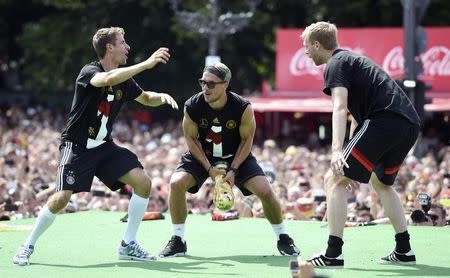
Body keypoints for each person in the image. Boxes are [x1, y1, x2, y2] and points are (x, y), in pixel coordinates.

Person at [13, 27, 178, 266]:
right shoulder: (89, 71)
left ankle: (128, 244)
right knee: (62, 197)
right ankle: (27, 245)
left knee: (143, 182)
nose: (128, 47)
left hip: (103, 146)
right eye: (123, 42)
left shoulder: (124, 79)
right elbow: (107, 79)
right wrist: (147, 63)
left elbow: (145, 97)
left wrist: (160, 96)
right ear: (109, 47)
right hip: (77, 145)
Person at [301, 22, 421, 268]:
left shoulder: (335, 63)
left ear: (316, 44)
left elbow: (339, 107)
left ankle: (333, 254)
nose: (305, 52)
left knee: (332, 178)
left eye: (306, 46)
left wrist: (337, 152)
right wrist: (352, 160)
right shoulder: (352, 61)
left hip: (385, 121)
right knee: (381, 183)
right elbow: (356, 118)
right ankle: (404, 249)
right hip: (408, 124)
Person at [158, 62, 300, 257]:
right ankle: (178, 240)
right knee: (176, 184)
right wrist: (209, 168)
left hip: (237, 156)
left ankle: (283, 237)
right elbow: (190, 139)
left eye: (211, 84)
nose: (205, 88)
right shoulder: (192, 105)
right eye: (202, 83)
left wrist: (233, 170)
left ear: (225, 84)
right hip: (203, 156)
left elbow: (247, 140)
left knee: (265, 190)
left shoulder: (242, 107)